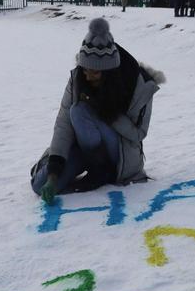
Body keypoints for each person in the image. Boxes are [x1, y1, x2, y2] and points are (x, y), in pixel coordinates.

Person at [32, 19, 165, 201]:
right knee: (41, 186)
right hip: (85, 147)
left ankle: (100, 171)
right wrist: (54, 172)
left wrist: (104, 110)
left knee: (80, 110)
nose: (88, 77)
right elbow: (63, 124)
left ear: (109, 72)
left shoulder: (138, 85)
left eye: (95, 73)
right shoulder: (78, 78)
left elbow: (137, 134)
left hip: (120, 154)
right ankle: (57, 165)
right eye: (85, 70)